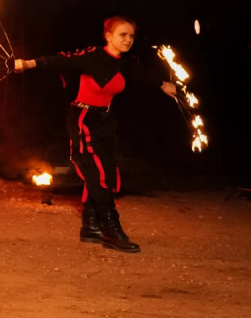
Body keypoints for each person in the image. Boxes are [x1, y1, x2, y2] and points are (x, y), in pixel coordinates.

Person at [14, 16, 177, 253]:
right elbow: (59, 61)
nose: (129, 40)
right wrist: (27, 64)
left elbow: (141, 73)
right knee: (96, 172)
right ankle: (112, 229)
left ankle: (91, 226)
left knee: (108, 174)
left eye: (131, 36)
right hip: (83, 119)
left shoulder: (123, 63)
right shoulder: (93, 56)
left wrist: (163, 84)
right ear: (108, 36)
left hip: (105, 121)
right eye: (123, 35)